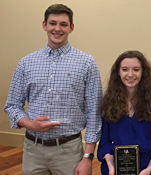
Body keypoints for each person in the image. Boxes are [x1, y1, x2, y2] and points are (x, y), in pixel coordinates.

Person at [3, 4, 102, 175]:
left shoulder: (87, 63)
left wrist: (88, 156)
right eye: (53, 23)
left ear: (71, 28)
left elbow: (95, 111)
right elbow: (12, 105)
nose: (57, 28)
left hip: (69, 151)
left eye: (63, 24)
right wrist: (30, 124)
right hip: (32, 150)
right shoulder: (26, 63)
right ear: (44, 25)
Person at [97, 50, 151, 175]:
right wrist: (112, 167)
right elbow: (104, 142)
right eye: (125, 69)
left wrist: (149, 169)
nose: (130, 74)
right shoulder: (108, 102)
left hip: (148, 168)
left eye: (136, 69)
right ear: (118, 72)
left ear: (143, 72)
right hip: (116, 168)